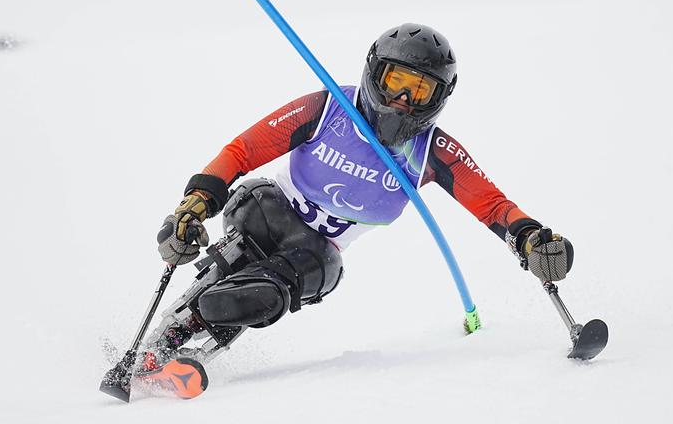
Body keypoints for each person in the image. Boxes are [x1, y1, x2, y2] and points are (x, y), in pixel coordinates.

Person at [154, 23, 573, 361]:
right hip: (266, 209)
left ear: (440, 97)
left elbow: (492, 204)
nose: (404, 99)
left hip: (316, 252)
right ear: (375, 74)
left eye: (421, 90)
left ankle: (219, 321)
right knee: (250, 253)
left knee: (312, 270)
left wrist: (529, 237)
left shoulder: (432, 152)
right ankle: (178, 327)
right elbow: (243, 150)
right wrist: (196, 203)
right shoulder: (327, 108)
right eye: (396, 82)